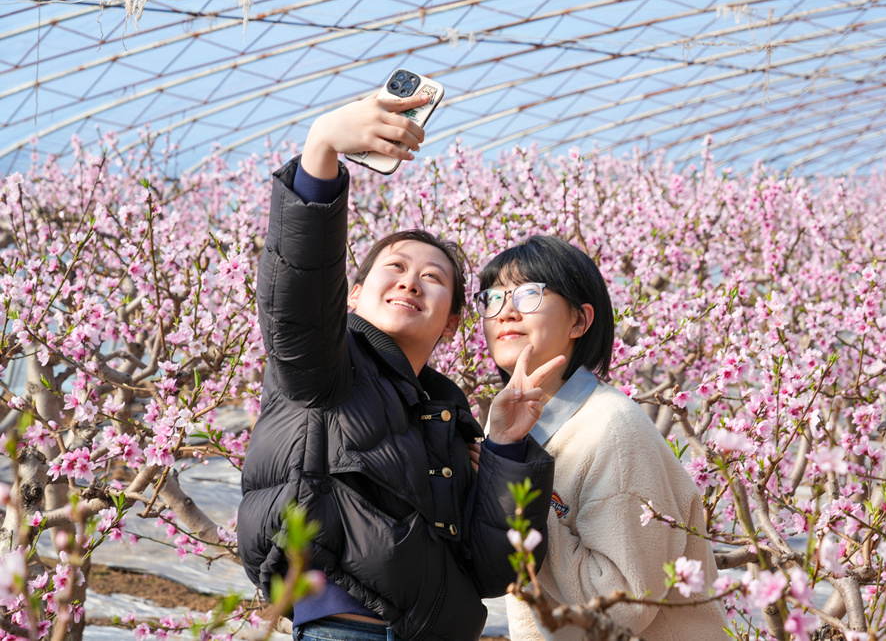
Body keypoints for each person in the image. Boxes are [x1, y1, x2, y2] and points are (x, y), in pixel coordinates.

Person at [237, 91, 556, 641]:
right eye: (396, 267)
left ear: (452, 321)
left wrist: (504, 447)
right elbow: (299, 295)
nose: (411, 280)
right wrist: (322, 150)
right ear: (353, 295)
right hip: (348, 628)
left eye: (433, 278)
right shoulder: (326, 367)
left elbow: (494, 568)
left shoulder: (444, 414)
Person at [475, 235, 729, 641]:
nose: (505, 312)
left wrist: (519, 505)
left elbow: (624, 605)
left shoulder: (612, 428)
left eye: (527, 294)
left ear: (579, 321)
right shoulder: (502, 423)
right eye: (492, 298)